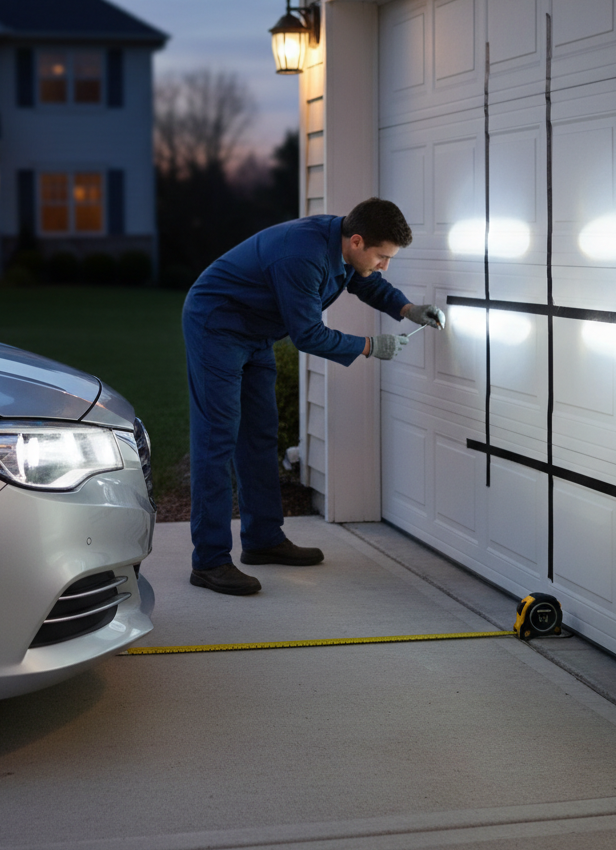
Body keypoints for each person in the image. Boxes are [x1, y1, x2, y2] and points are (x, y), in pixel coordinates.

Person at [182, 196, 445, 596]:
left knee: (258, 437)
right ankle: (210, 561)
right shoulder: (301, 257)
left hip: (255, 333)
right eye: (382, 256)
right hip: (216, 326)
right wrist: (371, 346)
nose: (384, 265)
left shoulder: (339, 244)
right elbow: (308, 335)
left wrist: (407, 309)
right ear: (357, 241)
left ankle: (263, 539)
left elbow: (365, 281)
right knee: (216, 441)